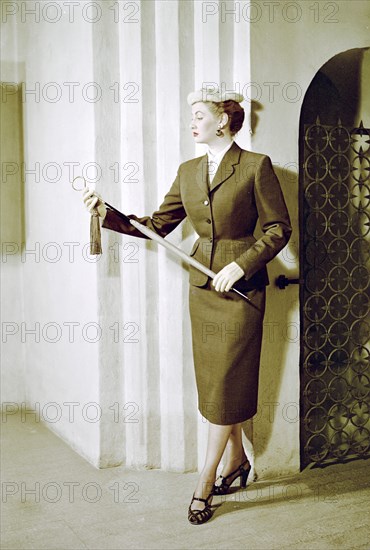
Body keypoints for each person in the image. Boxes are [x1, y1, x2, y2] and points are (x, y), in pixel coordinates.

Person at [83, 87, 292, 525]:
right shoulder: (188, 170)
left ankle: (205, 480)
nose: (191, 122)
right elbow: (157, 226)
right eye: (190, 115)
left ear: (223, 120)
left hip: (241, 292)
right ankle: (236, 461)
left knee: (225, 387)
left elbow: (277, 229)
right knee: (219, 388)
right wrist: (108, 214)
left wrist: (242, 263)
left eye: (199, 115)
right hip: (202, 292)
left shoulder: (256, 166)